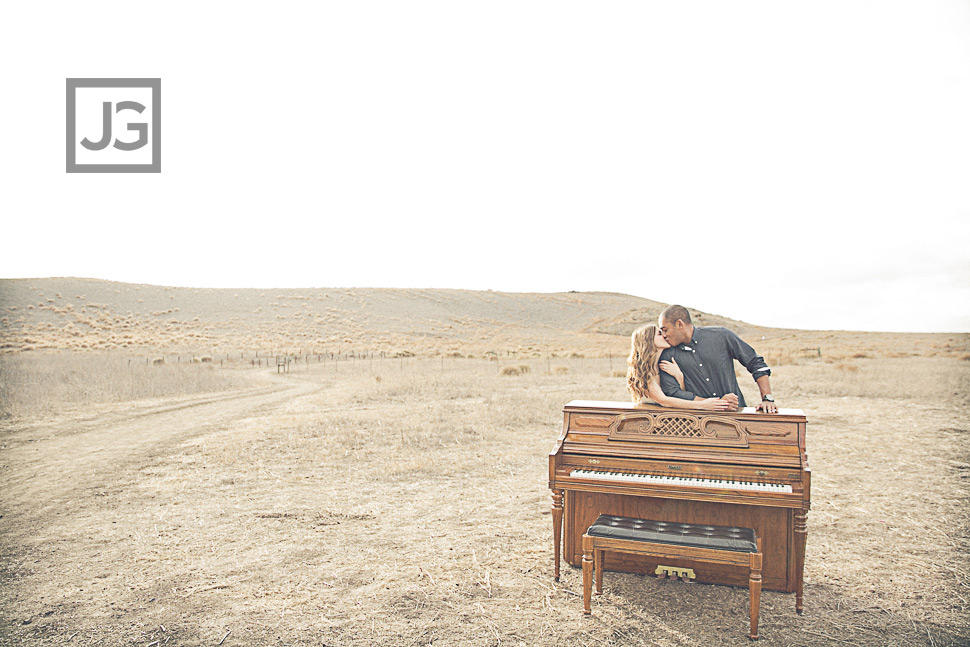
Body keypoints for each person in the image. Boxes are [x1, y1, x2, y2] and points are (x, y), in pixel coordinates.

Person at [657, 305, 777, 413]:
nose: (664, 335)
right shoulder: (667, 354)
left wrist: (767, 398)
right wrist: (719, 404)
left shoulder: (721, 336)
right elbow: (673, 393)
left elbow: (755, 362)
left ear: (679, 324)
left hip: (737, 417)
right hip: (699, 423)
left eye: (665, 329)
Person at [626, 324, 735, 411]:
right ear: (648, 340)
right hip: (648, 423)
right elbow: (664, 401)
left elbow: (679, 396)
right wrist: (703, 405)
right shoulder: (642, 372)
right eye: (659, 333)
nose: (664, 335)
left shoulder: (662, 366)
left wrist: (679, 376)